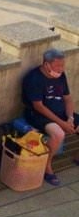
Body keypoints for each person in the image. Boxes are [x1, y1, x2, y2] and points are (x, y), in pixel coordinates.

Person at [22, 48, 79, 186]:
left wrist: (70, 118)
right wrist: (62, 124)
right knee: (59, 134)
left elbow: (68, 99)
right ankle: (47, 167)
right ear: (46, 64)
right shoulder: (33, 78)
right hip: (39, 115)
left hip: (61, 113)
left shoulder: (61, 75)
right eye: (57, 66)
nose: (60, 69)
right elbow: (39, 106)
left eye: (62, 65)